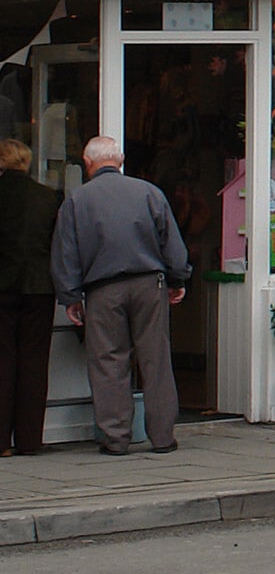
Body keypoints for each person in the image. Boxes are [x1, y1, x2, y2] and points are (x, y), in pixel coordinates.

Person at [49, 135, 189, 454]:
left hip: (103, 289)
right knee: (156, 358)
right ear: (121, 159)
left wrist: (70, 296)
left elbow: (65, 252)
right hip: (148, 283)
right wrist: (177, 278)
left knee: (108, 360)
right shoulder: (149, 192)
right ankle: (163, 436)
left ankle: (116, 437)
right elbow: (172, 243)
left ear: (87, 164)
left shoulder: (76, 200)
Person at [0, 139, 63, 456]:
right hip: (39, 286)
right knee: (34, 361)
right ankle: (29, 440)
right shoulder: (48, 197)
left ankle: (1, 442)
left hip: (3, 286)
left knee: (3, 360)